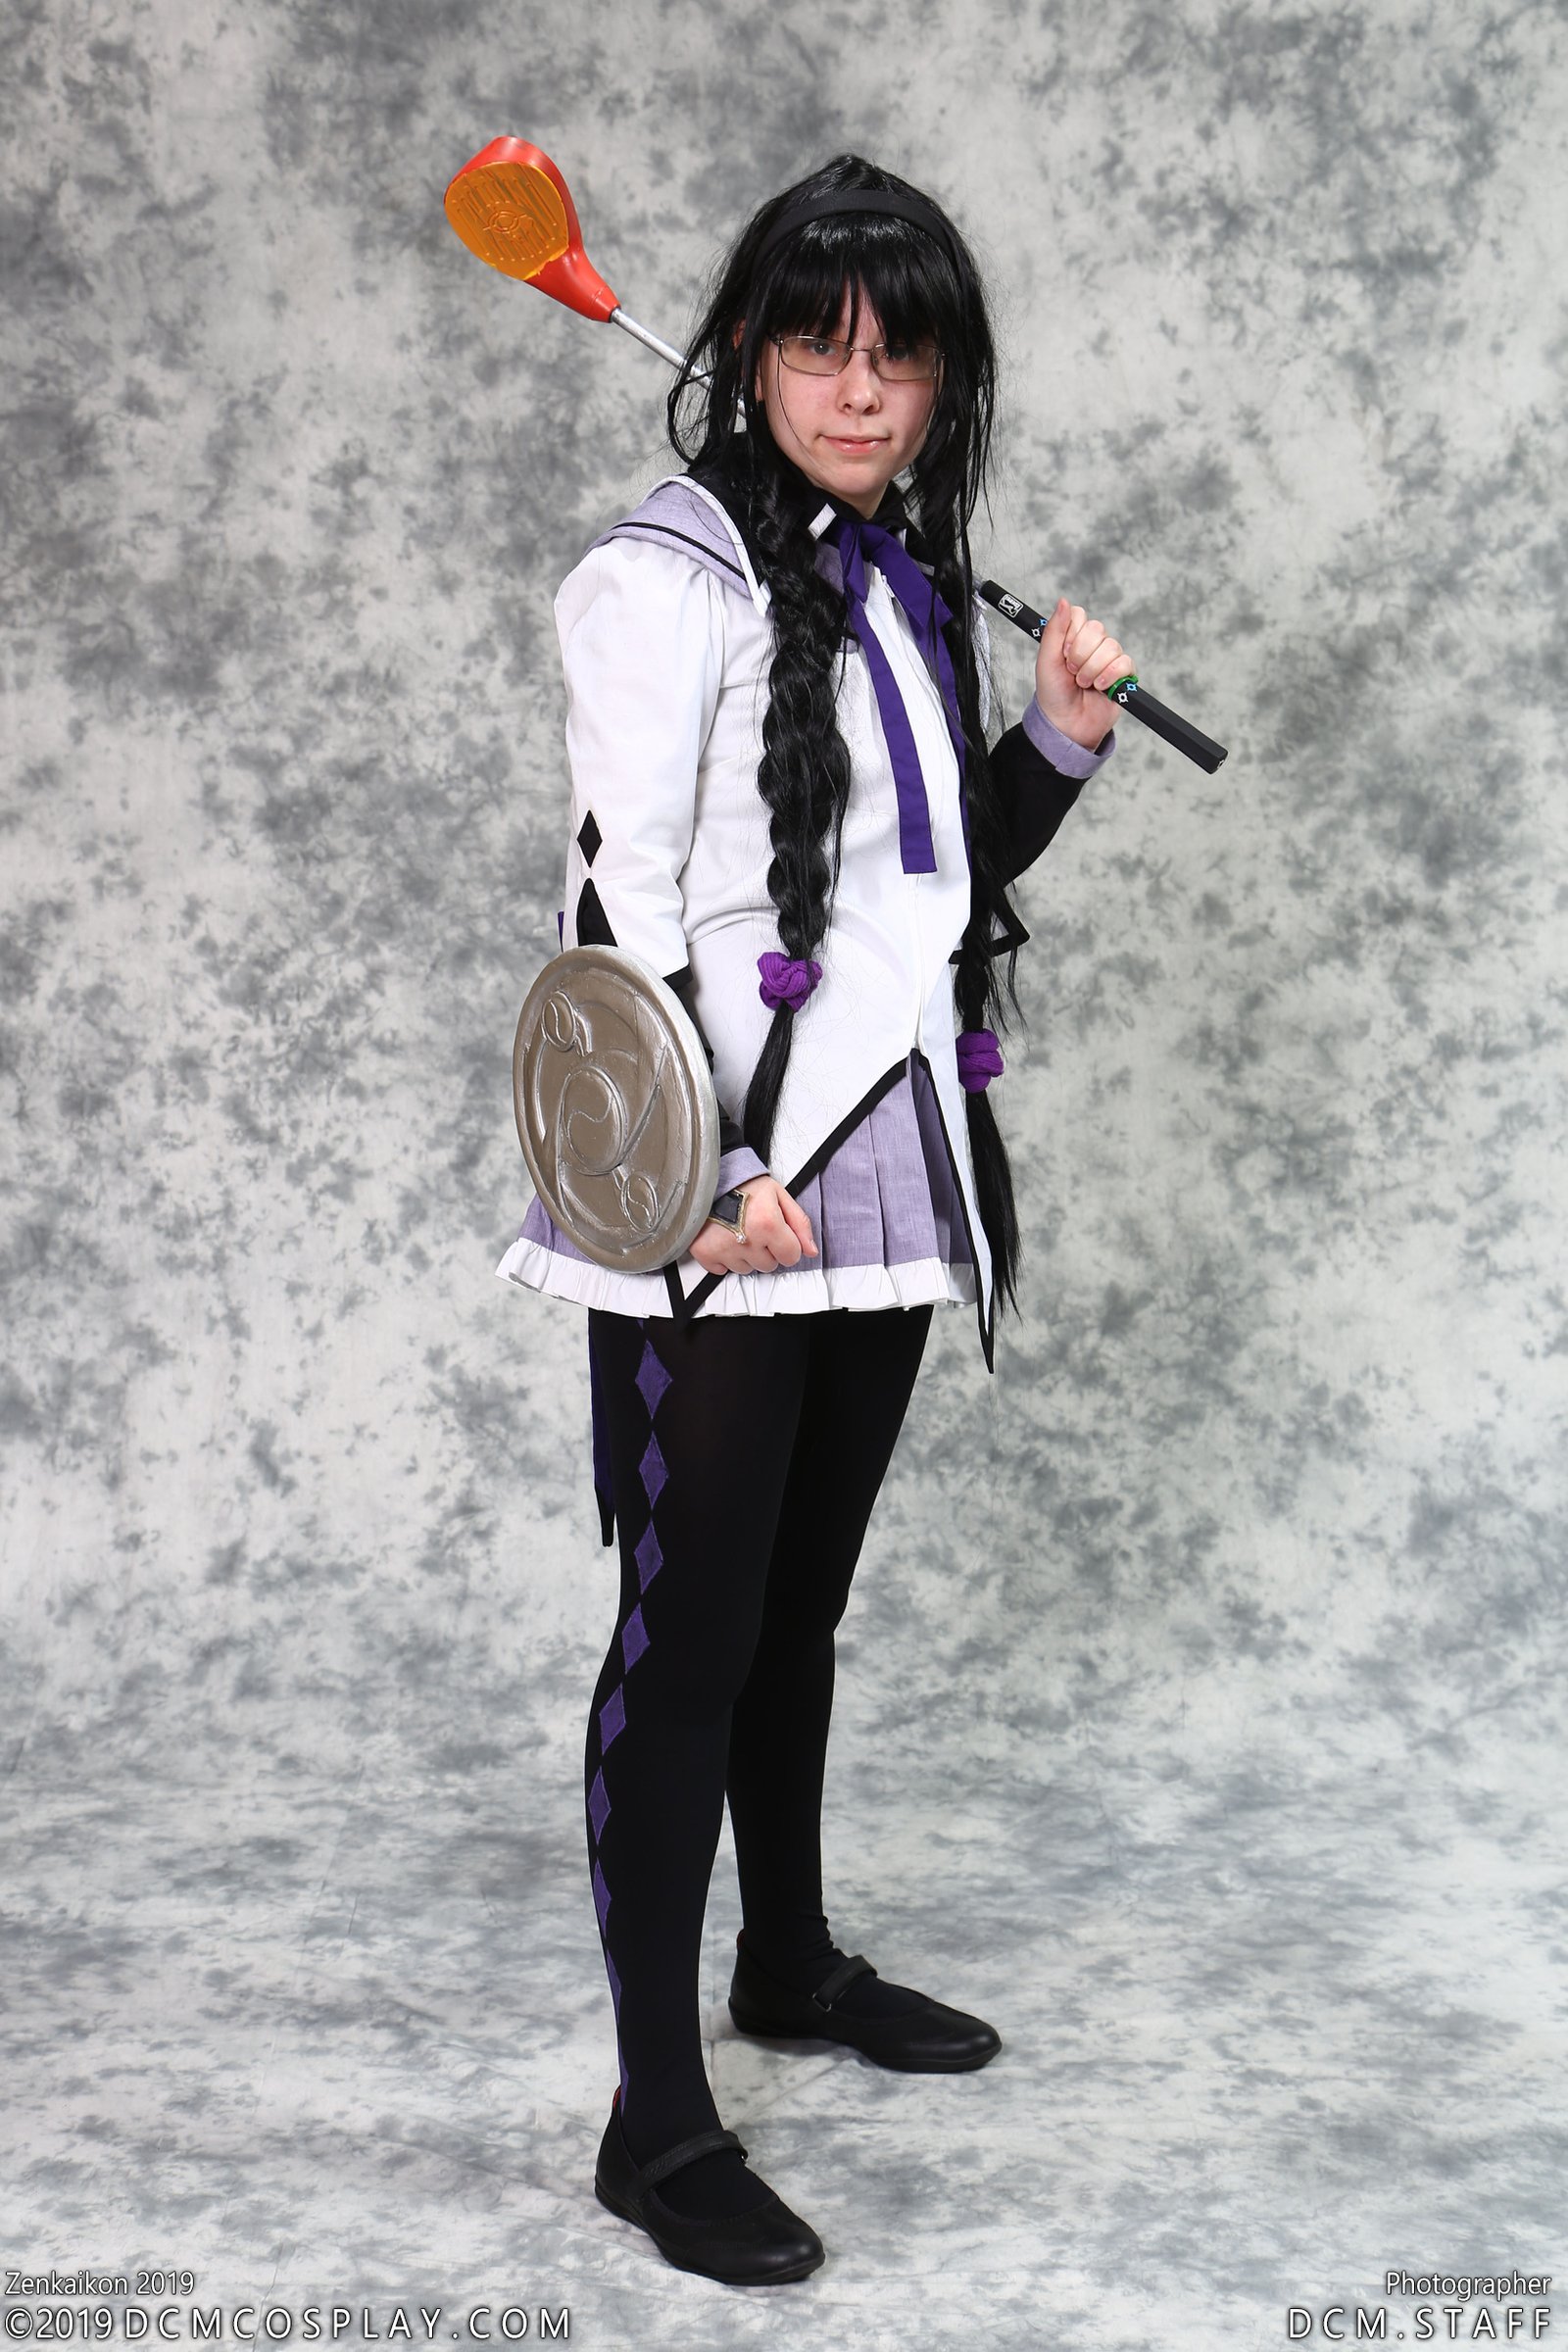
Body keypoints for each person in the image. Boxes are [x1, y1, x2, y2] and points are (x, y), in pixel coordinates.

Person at [495, 152, 1133, 2286]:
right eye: (814, 346)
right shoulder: (657, 584)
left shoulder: (889, 574)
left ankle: (787, 1963)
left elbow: (915, 902)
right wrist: (697, 1185)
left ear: (945, 379)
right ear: (750, 355)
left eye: (899, 354)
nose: (859, 393)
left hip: (878, 1149)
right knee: (686, 1636)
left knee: (799, 1607)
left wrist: (1052, 742)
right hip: (717, 1174)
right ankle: (653, 2122)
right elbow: (616, 915)